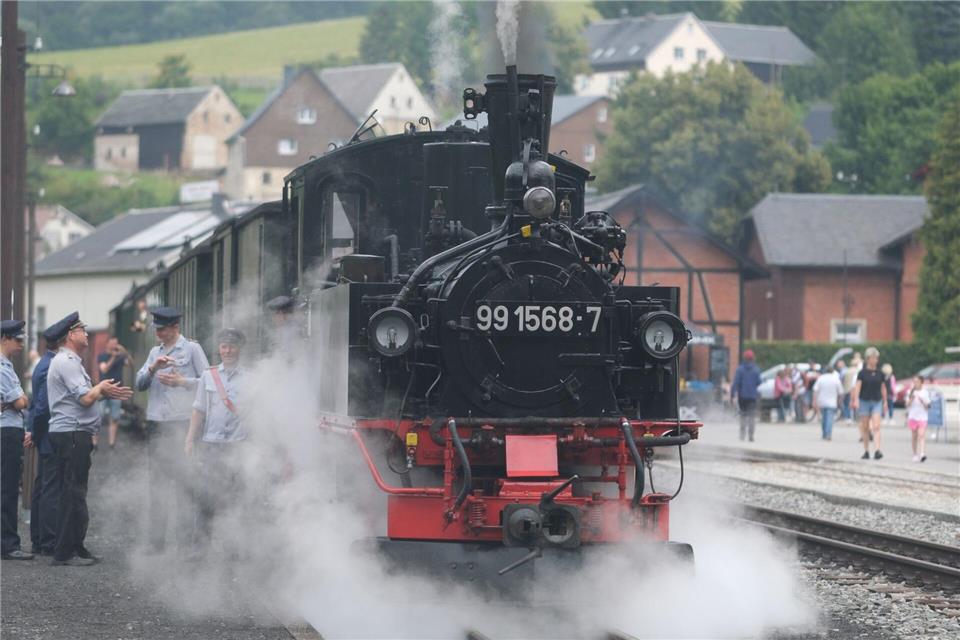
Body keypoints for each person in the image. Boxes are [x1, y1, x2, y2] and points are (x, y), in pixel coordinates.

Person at [47, 313, 132, 565]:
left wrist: (103, 392)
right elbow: (84, 399)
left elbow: (86, 396)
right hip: (71, 434)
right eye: (82, 330)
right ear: (71, 335)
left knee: (76, 491)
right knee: (72, 492)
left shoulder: (72, 361)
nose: (86, 334)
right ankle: (64, 553)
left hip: (74, 434)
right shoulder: (67, 362)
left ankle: (75, 545)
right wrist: (100, 389)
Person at [135, 306, 210, 552]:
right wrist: (153, 368)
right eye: (157, 329)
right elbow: (139, 384)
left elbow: (209, 383)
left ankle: (186, 541)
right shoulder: (154, 352)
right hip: (158, 422)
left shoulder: (192, 349)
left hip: (182, 424)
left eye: (163, 330)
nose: (159, 334)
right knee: (156, 483)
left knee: (186, 483)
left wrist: (182, 382)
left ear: (175, 328)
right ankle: (157, 542)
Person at [185, 328, 248, 550]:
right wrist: (190, 440)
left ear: (239, 348)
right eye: (224, 346)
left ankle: (235, 547)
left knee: (237, 497)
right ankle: (199, 546)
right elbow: (198, 410)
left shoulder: (251, 377)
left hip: (239, 445)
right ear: (219, 349)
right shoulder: (208, 376)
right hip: (212, 444)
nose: (227, 351)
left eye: (232, 346)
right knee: (205, 496)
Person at [26, 323, 65, 556]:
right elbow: (42, 407)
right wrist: (37, 433)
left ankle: (40, 539)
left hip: (44, 433)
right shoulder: (50, 366)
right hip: (49, 433)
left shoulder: (44, 362)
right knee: (50, 488)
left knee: (43, 486)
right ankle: (48, 541)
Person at [1, 320, 33, 560]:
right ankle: (8, 545)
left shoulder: (8, 366)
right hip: (6, 431)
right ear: (4, 338)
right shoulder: (2, 368)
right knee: (8, 488)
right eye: (17, 339)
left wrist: (18, 399)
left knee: (8, 487)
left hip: (9, 428)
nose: (21, 343)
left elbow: (21, 401)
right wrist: (19, 398)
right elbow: (22, 402)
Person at [851, 346, 887, 460]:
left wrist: (885, 401)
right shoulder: (862, 373)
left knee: (876, 426)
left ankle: (877, 450)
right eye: (873, 358)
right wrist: (856, 399)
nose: (875, 360)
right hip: (864, 401)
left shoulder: (880, 373)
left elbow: (883, 388)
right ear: (868, 359)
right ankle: (866, 450)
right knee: (865, 427)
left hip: (877, 401)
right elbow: (858, 386)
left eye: (876, 358)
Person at [97, 336, 132, 448]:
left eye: (116, 343)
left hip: (117, 390)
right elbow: (104, 369)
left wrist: (125, 352)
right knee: (99, 416)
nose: (114, 346)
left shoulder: (121, 357)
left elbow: (131, 364)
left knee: (115, 417)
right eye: (112, 343)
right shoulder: (102, 356)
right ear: (107, 344)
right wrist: (112, 357)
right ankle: (94, 443)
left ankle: (112, 443)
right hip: (103, 391)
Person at [730, 349, 762, 442]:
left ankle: (742, 434)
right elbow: (759, 382)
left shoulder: (740, 369)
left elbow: (735, 383)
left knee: (743, 415)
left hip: (742, 397)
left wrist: (732, 395)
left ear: (744, 358)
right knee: (752, 416)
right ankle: (751, 435)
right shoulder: (756, 369)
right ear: (753, 358)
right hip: (752, 396)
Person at [813, 364, 844, 441]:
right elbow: (840, 392)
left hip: (822, 401)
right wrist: (840, 401)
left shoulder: (821, 378)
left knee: (824, 418)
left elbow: (815, 390)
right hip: (832, 401)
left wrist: (814, 400)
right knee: (830, 418)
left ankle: (824, 433)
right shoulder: (836, 379)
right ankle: (828, 434)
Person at [906, 375, 930, 462]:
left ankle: (922, 453)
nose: (915, 384)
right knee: (914, 436)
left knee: (921, 435)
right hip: (913, 417)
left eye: (917, 382)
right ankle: (915, 454)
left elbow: (928, 406)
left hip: (922, 417)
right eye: (914, 382)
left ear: (921, 383)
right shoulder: (910, 392)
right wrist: (911, 399)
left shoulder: (925, 392)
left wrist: (923, 402)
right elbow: (907, 405)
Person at [842, 352, 862, 424]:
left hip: (847, 389)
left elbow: (843, 380)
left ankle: (848, 418)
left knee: (847, 404)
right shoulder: (858, 371)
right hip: (855, 389)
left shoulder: (847, 371)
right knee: (856, 404)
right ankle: (855, 417)